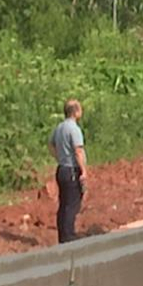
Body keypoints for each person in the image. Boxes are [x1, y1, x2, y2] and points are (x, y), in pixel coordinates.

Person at [50, 100, 88, 243]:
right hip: (72, 170)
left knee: (63, 203)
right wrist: (83, 170)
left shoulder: (59, 128)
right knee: (72, 204)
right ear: (76, 112)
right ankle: (69, 236)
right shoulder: (74, 129)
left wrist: (59, 157)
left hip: (61, 169)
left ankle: (62, 235)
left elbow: (51, 144)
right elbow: (78, 150)